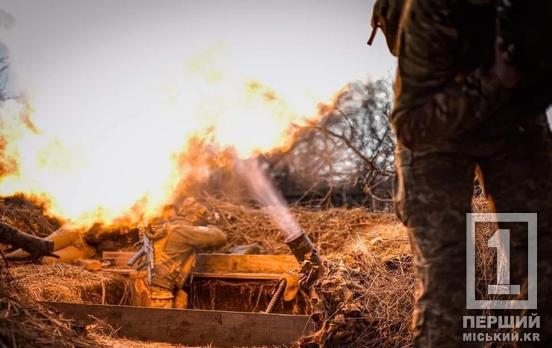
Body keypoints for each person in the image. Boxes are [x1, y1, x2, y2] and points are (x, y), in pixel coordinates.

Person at [371, 0, 552, 346]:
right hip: (433, 121)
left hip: (513, 118)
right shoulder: (432, 11)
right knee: (447, 276)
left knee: (543, 264)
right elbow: (412, 124)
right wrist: (495, 80)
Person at [136, 199, 227, 308]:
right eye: (201, 222)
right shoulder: (183, 231)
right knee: (159, 323)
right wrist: (210, 226)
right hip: (158, 289)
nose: (201, 226)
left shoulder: (168, 227)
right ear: (192, 217)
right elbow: (220, 237)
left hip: (146, 283)